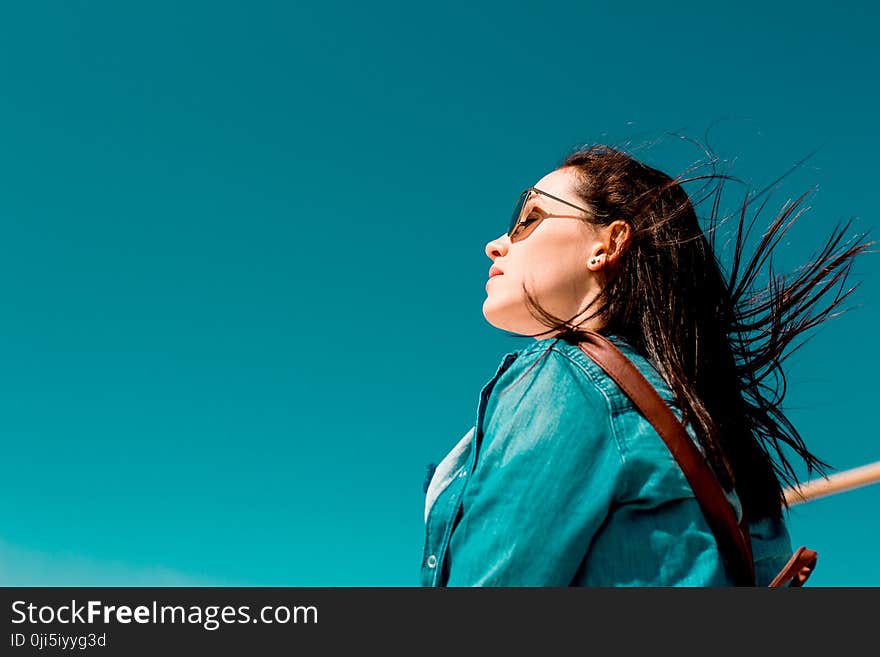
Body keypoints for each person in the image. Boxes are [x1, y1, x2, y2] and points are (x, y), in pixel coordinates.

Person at [420, 143, 873, 586]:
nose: (495, 245)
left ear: (608, 243)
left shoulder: (564, 378)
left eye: (529, 220)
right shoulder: (712, 427)